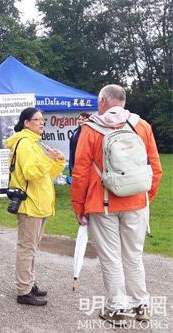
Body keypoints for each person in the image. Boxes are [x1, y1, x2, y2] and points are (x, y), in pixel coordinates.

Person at [71, 84, 162, 325]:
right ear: (123, 100)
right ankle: (141, 305)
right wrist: (145, 198)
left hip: (103, 204)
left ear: (102, 102)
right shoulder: (141, 126)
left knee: (111, 257)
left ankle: (118, 309)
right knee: (134, 256)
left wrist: (79, 207)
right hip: (137, 203)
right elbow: (155, 167)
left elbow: (79, 173)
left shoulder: (90, 130)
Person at [4, 107, 66, 306]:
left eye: (42, 120)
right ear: (26, 123)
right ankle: (24, 291)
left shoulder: (35, 143)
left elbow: (47, 176)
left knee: (32, 248)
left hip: (39, 204)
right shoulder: (25, 144)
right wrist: (48, 159)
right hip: (30, 204)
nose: (41, 122)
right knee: (27, 248)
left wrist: (58, 161)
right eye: (37, 119)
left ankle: (29, 283)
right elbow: (31, 172)